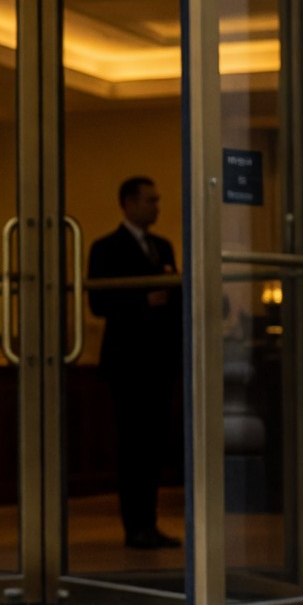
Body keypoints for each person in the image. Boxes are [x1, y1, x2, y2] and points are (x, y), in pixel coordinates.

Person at [87, 176, 181, 549]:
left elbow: (173, 296)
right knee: (132, 446)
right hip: (127, 362)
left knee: (154, 446)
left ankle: (149, 523)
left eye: (157, 200)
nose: (156, 207)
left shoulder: (163, 246)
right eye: (149, 201)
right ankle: (134, 525)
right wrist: (144, 302)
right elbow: (98, 303)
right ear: (127, 203)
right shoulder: (106, 248)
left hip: (159, 361)